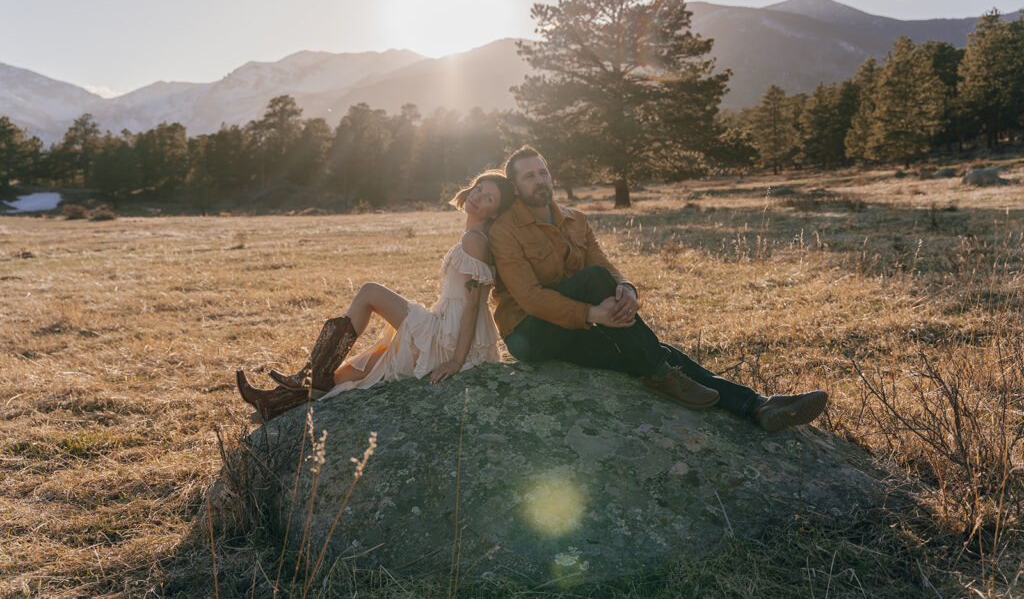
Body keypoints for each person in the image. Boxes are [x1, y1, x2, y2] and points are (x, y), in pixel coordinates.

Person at [488, 146, 828, 431]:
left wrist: (627, 289)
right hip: (529, 334)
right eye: (529, 176)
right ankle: (660, 373)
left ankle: (757, 405)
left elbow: (603, 262)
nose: (539, 181)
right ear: (515, 187)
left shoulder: (576, 218)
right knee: (598, 285)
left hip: (576, 325)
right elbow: (530, 297)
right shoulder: (505, 231)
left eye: (543, 172)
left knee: (651, 352)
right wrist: (592, 312)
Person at [236, 170, 516, 421]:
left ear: (494, 213)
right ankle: (272, 402)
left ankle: (313, 372)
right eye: (479, 188)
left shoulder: (474, 241)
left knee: (369, 292)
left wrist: (455, 361)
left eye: (489, 198)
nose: (478, 197)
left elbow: (472, 306)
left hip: (447, 339)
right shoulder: (475, 236)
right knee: (357, 370)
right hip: (445, 330)